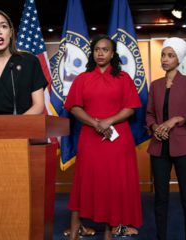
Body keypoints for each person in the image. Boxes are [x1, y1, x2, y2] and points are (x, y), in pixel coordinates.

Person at [64, 34, 142, 240]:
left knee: (113, 184)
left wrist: (108, 121)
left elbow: (131, 108)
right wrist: (95, 122)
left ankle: (109, 232)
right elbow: (74, 106)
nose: (100, 53)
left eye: (105, 49)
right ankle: (74, 231)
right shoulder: (82, 78)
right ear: (92, 52)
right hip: (90, 138)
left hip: (117, 139)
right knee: (84, 182)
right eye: (97, 49)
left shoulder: (123, 78)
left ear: (112, 53)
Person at [146, 37, 186, 240]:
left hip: (185, 148)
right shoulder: (155, 85)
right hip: (158, 148)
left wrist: (176, 120)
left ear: (179, 59)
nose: (165, 59)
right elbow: (149, 114)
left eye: (170, 55)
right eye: (163, 54)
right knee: (160, 198)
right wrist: (154, 127)